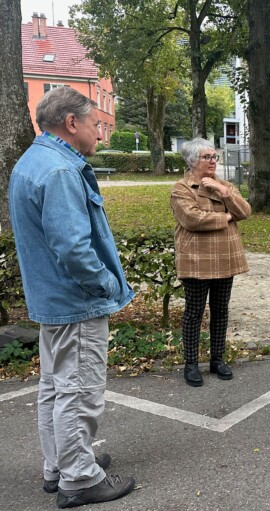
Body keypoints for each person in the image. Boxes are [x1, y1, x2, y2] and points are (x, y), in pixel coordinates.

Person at [8, 87, 136, 507]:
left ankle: (59, 466)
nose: (100, 134)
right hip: (74, 301)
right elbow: (73, 248)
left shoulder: (33, 161)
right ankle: (79, 478)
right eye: (96, 125)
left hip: (51, 299)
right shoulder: (60, 171)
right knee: (78, 390)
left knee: (56, 387)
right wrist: (105, 284)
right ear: (71, 123)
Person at [171, 138, 252, 387]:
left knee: (220, 311)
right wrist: (227, 216)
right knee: (194, 313)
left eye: (214, 156)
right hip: (196, 260)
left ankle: (217, 359)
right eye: (208, 157)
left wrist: (225, 194)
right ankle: (191, 364)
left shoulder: (225, 185)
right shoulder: (182, 189)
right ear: (193, 161)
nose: (213, 161)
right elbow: (192, 219)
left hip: (224, 258)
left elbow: (245, 211)